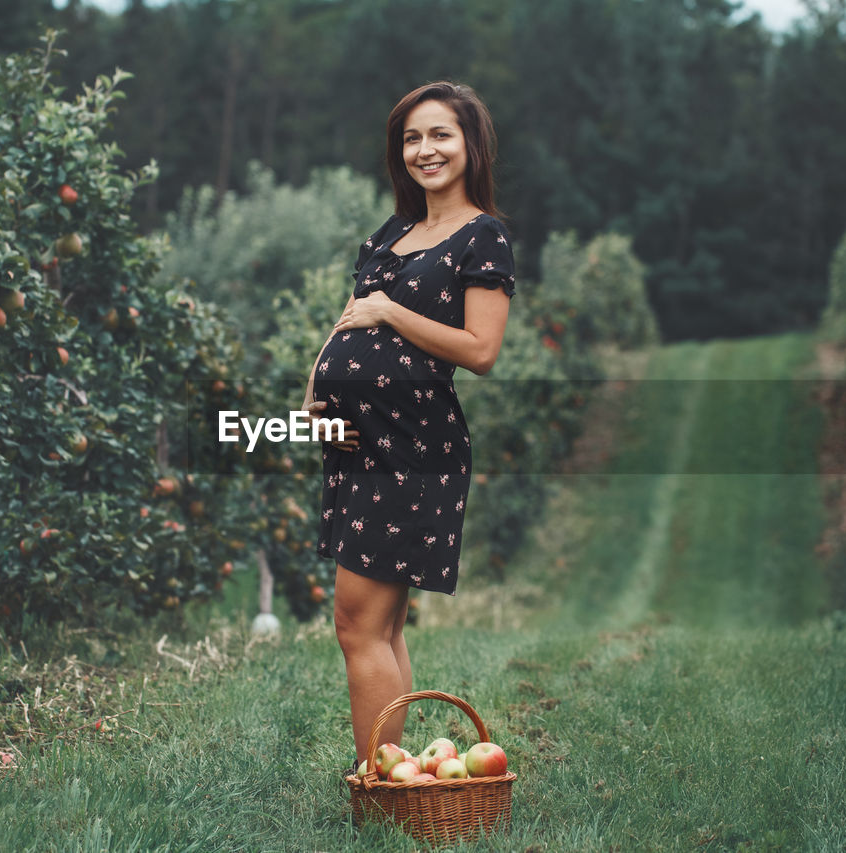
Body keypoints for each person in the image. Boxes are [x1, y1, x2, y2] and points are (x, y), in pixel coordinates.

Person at [300, 81, 515, 769]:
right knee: (379, 626)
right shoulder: (392, 233)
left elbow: (481, 350)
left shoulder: (484, 236)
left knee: (358, 624)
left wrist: (392, 311)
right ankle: (397, 778)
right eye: (412, 138)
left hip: (411, 446)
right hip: (357, 443)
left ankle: (379, 783)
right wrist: (315, 388)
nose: (425, 150)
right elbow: (348, 317)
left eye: (441, 135)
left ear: (470, 144)